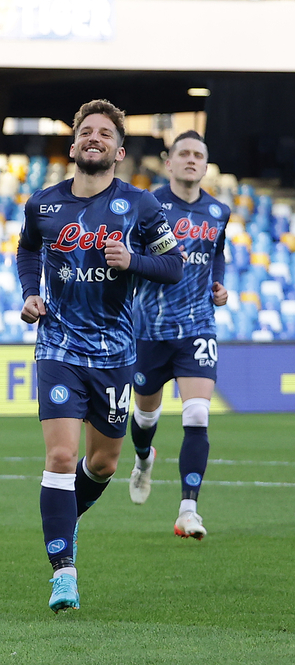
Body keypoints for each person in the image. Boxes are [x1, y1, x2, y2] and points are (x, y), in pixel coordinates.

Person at [16, 99, 182, 612]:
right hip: (58, 345)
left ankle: (65, 523)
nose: (94, 138)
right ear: (73, 145)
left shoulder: (142, 205)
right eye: (86, 131)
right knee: (61, 457)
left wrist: (133, 259)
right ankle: (63, 572)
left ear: (119, 150)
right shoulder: (43, 205)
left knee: (103, 462)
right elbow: (26, 250)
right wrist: (29, 292)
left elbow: (173, 266)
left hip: (114, 352)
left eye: (104, 134)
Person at [128, 131, 228, 540]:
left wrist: (218, 285)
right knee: (145, 415)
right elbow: (128, 257)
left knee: (198, 414)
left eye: (198, 155)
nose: (191, 160)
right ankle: (143, 458)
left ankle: (188, 510)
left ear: (205, 166)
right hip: (149, 329)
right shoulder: (146, 205)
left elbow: (217, 253)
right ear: (168, 162)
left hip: (197, 327)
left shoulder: (219, 211)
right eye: (183, 154)